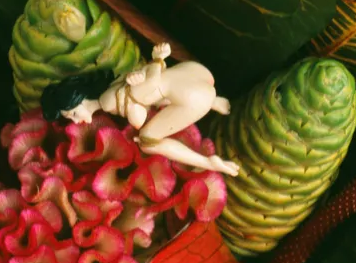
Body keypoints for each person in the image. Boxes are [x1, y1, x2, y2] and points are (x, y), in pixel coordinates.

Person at [59, 44, 242, 176]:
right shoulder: (113, 86)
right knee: (158, 97)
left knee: (148, 141)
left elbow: (140, 115)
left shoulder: (107, 102)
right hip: (194, 74)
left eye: (73, 114)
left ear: (79, 98)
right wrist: (156, 63)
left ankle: (207, 162)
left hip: (193, 99)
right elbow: (150, 86)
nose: (75, 121)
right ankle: (213, 101)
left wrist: (156, 62)